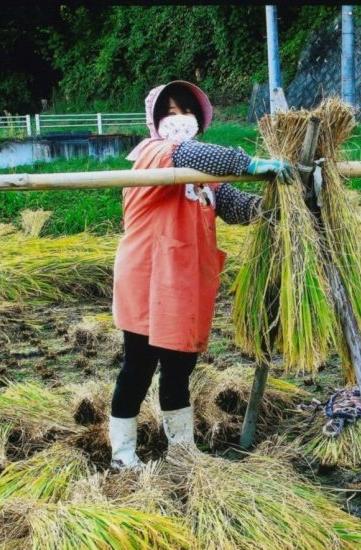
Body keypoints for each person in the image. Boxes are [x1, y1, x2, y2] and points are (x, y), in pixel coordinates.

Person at [109, 80, 295, 470]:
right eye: (170, 112)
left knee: (179, 371)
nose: (180, 120)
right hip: (148, 276)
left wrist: (277, 210)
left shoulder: (203, 177)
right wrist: (249, 163)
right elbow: (192, 151)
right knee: (138, 368)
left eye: (187, 112)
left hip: (186, 281)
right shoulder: (154, 154)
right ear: (154, 120)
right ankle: (123, 454)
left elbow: (236, 205)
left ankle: (181, 452)